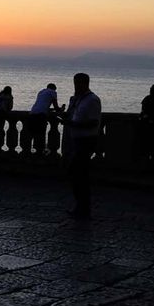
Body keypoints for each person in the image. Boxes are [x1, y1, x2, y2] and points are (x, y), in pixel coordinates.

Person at [59, 73, 101, 220]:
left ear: (85, 83)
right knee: (77, 173)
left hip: (86, 141)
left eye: (78, 83)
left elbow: (94, 122)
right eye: (75, 83)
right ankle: (81, 206)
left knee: (78, 172)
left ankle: (83, 207)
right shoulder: (78, 100)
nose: (76, 86)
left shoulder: (92, 100)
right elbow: (74, 116)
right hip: (76, 140)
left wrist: (73, 124)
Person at [28, 83, 63, 154]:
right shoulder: (53, 92)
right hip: (41, 116)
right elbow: (56, 107)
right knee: (41, 134)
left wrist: (50, 109)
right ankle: (40, 153)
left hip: (32, 113)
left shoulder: (41, 92)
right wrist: (61, 109)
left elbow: (42, 104)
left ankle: (31, 153)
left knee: (33, 134)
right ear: (54, 88)